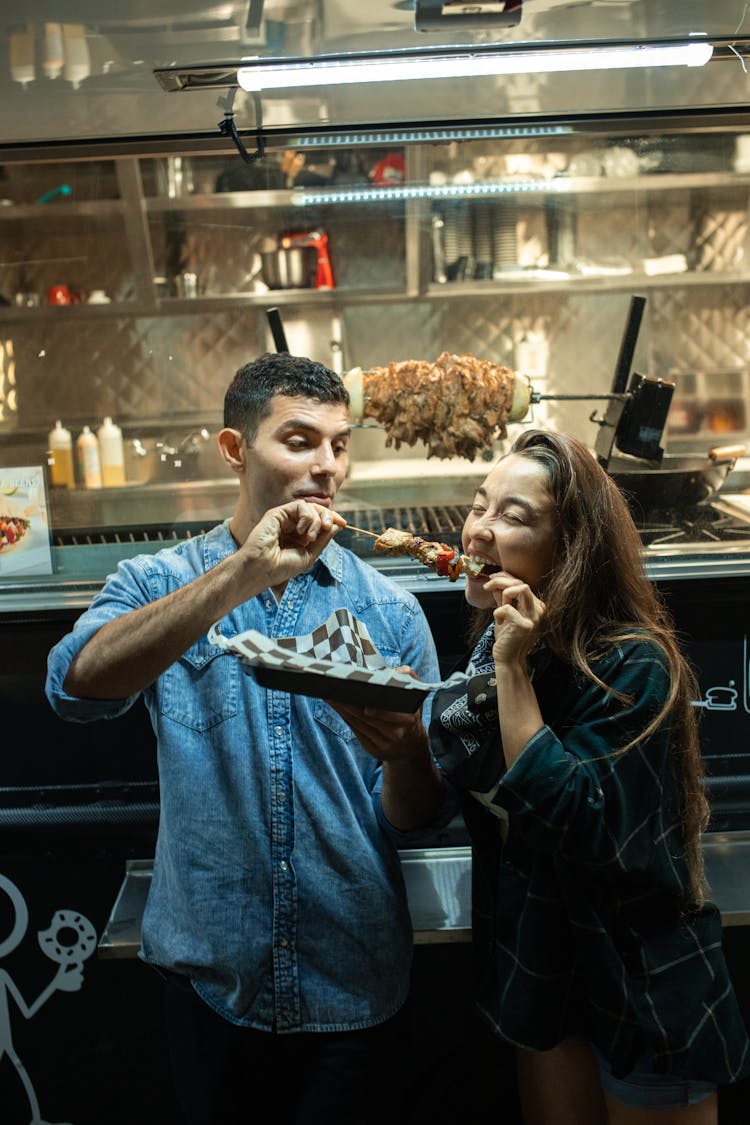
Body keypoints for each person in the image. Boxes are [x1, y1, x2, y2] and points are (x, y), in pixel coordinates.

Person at [45, 352, 453, 1125]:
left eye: (339, 444)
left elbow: (415, 818)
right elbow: (75, 686)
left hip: (354, 985)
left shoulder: (393, 610)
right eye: (299, 440)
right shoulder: (156, 580)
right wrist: (241, 574)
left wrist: (407, 754)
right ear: (235, 450)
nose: (327, 465)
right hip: (213, 986)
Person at [335, 428, 750, 1124]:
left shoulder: (631, 662)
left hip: (637, 977)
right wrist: (404, 745)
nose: (479, 530)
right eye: (477, 505)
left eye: (514, 515)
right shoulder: (492, 652)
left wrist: (511, 667)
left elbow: (578, 817)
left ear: (572, 545)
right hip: (542, 970)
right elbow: (419, 812)